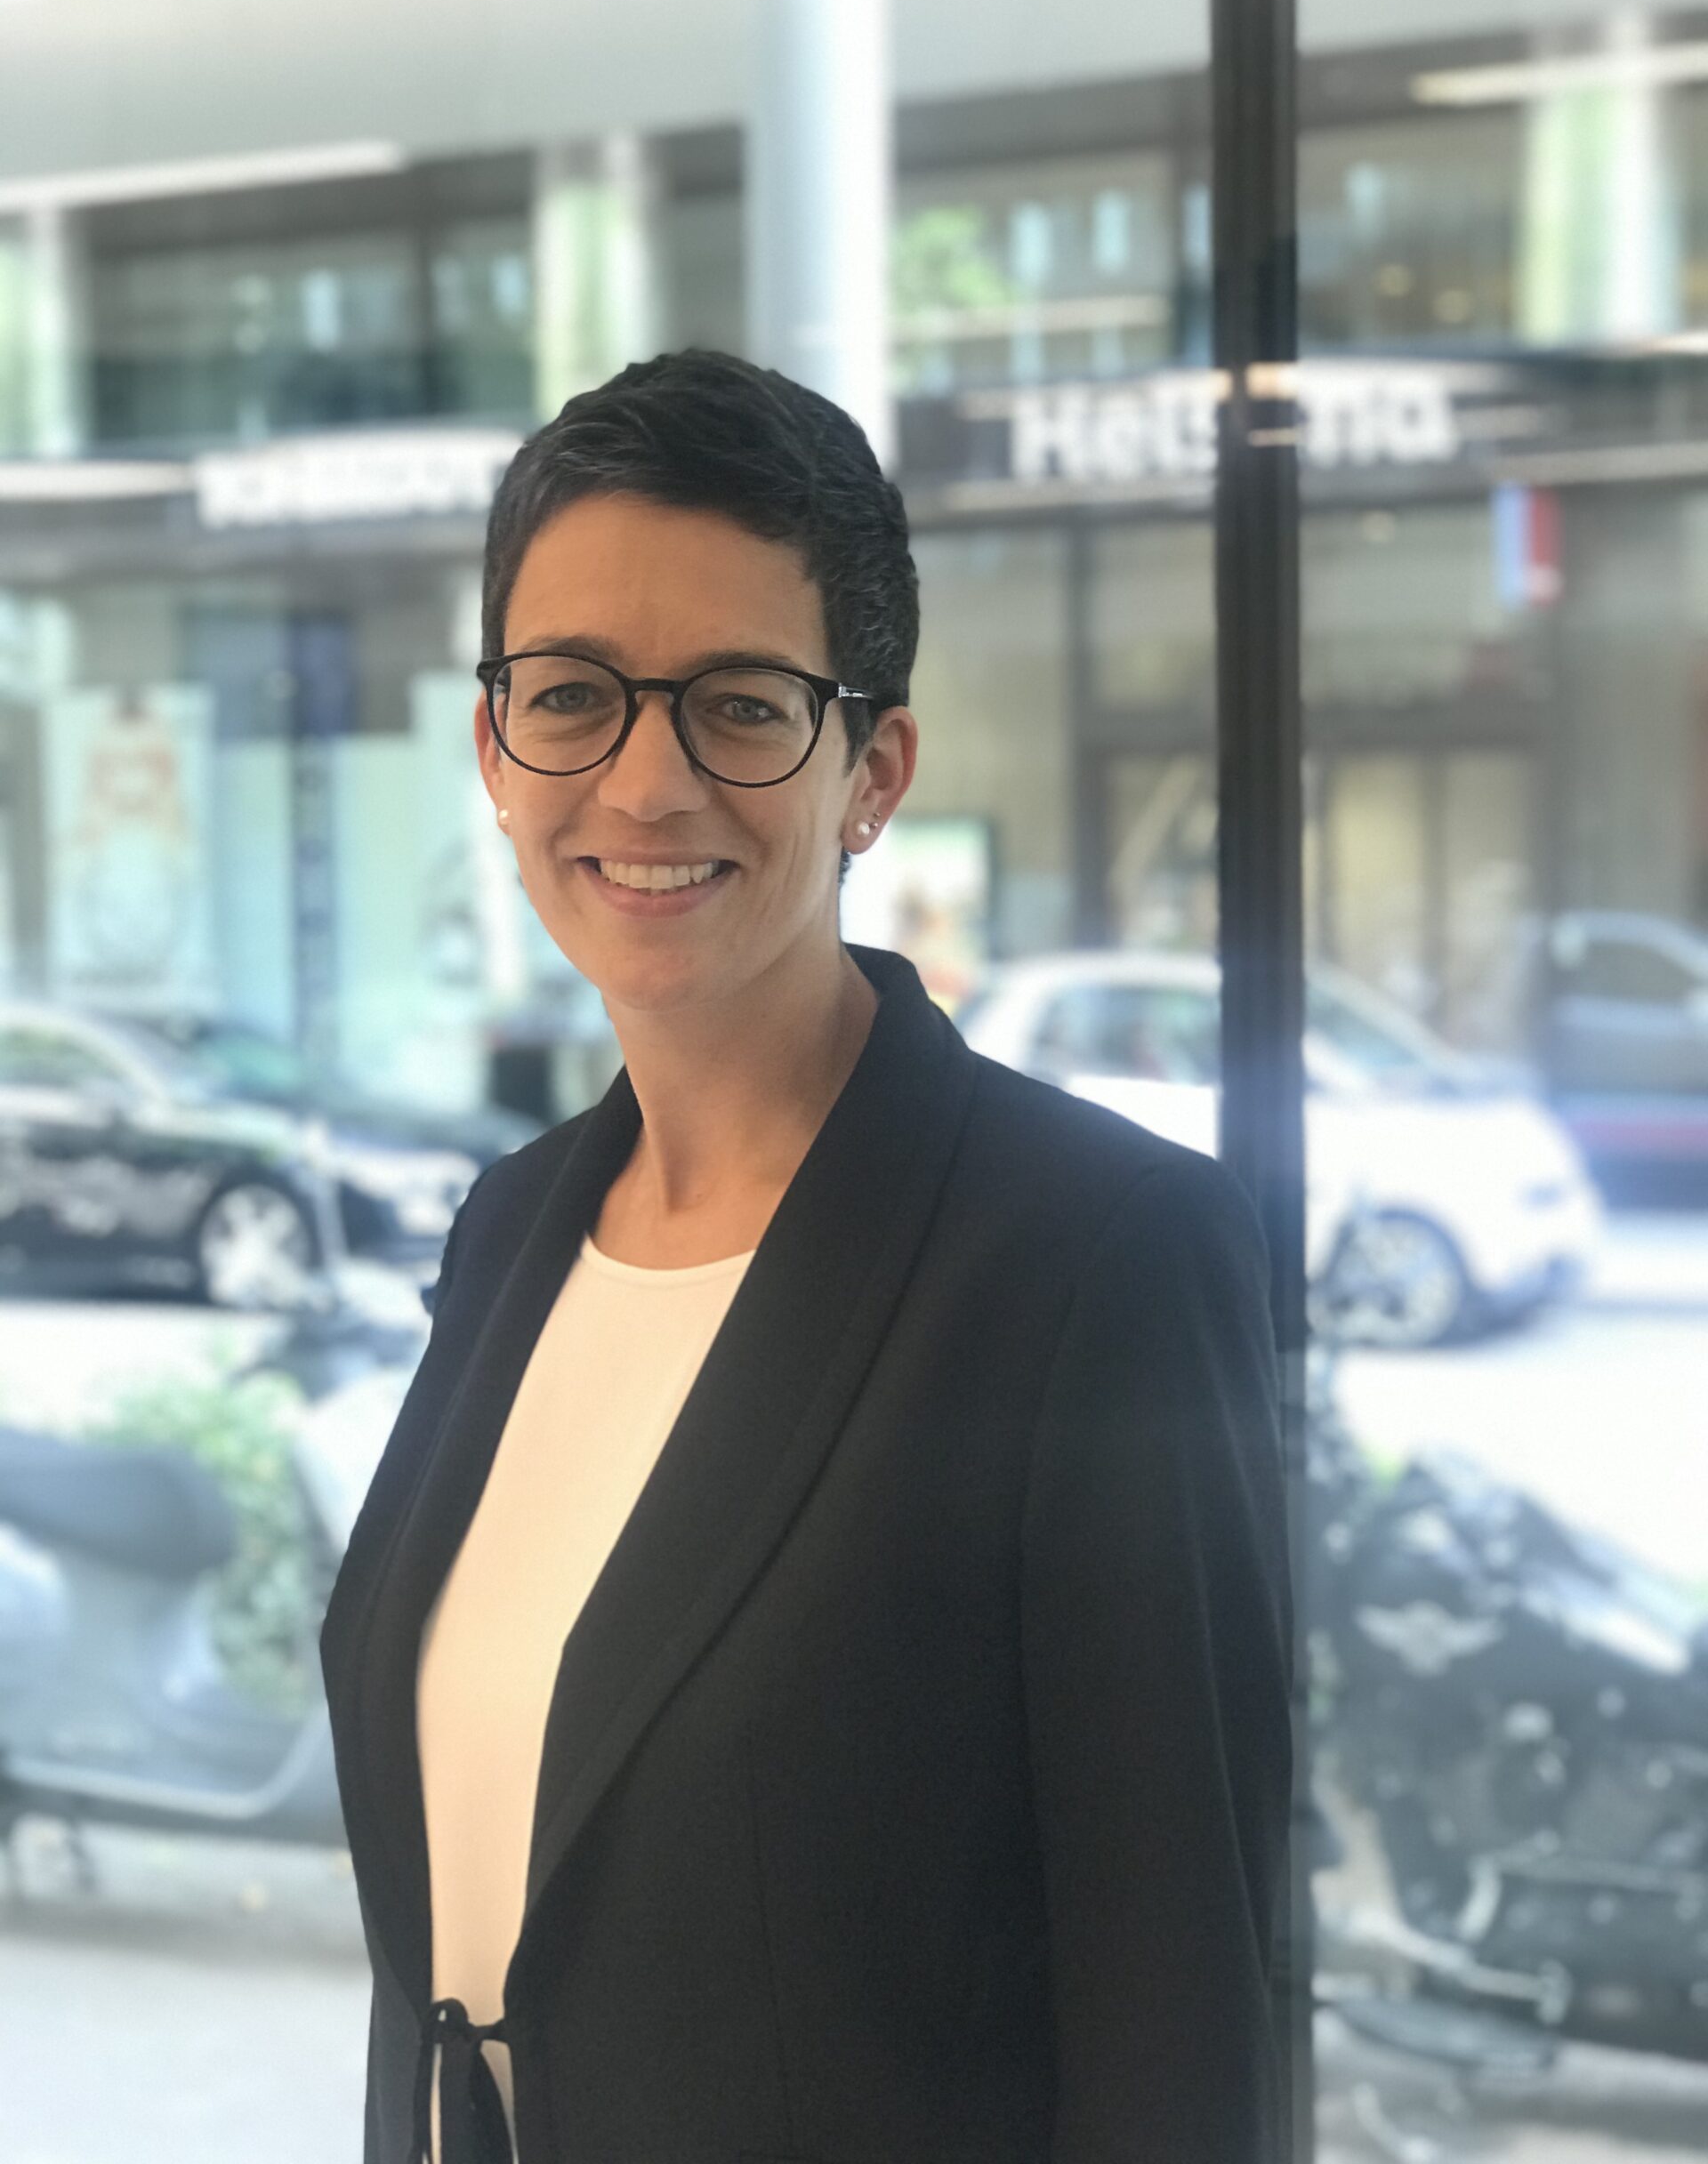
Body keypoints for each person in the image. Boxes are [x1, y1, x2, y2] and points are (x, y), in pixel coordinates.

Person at [320, 349, 1293, 2164]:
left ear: (873, 769)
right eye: (572, 695)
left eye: (742, 705)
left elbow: (1181, 2030)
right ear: (495, 749)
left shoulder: (1096, 1260)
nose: (646, 780)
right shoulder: (512, 1228)